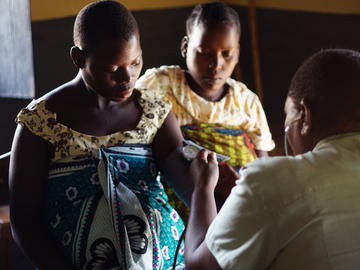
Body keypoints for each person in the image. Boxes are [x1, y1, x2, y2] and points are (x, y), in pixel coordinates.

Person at [9, 1, 186, 269]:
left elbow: (187, 183)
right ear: (78, 59)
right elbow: (23, 223)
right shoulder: (41, 122)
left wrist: (205, 175)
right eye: (113, 69)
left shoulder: (154, 113)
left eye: (136, 62)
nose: (128, 77)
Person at [185, 48, 360, 270]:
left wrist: (203, 188)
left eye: (288, 121)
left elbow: (199, 267)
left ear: (305, 116)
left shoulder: (271, 181)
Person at [136, 2, 275, 170]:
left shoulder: (246, 102)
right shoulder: (160, 85)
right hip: (180, 191)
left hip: (240, 190)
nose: (216, 64)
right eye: (205, 52)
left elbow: (263, 164)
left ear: (237, 53)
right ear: (185, 47)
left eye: (227, 54)